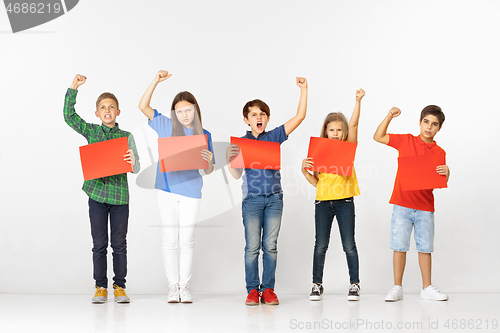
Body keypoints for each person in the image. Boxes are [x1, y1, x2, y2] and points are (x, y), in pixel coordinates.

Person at [226, 77, 308, 306]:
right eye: (253, 114)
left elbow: (299, 117)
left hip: (274, 198)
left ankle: (268, 289)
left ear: (267, 118)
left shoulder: (273, 137)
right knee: (252, 247)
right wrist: (230, 159)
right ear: (246, 119)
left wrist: (304, 89)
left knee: (270, 246)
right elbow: (236, 175)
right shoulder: (241, 143)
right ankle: (253, 290)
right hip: (251, 199)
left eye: (262, 114)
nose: (258, 117)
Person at [138, 70, 214, 303]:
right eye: (179, 111)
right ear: (174, 113)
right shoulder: (165, 126)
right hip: (167, 191)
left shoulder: (204, 134)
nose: (184, 114)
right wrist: (156, 81)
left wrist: (209, 160)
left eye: (188, 110)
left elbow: (208, 170)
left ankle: (184, 286)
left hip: (192, 192)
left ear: (195, 110)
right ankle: (173, 287)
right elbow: (143, 106)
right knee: (170, 240)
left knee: (187, 240)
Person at [63, 74, 140, 303]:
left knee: (119, 244)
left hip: (119, 198)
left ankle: (119, 287)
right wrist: (73, 89)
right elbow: (69, 116)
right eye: (103, 108)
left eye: (112, 107)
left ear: (118, 112)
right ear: (97, 113)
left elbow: (136, 169)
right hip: (96, 195)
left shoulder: (126, 137)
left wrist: (133, 161)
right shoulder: (92, 132)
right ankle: (100, 287)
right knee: (99, 244)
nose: (108, 110)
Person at [373, 105, 450, 302]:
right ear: (420, 122)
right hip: (402, 203)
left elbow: (438, 180)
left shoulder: (439, 152)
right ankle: (397, 286)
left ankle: (427, 287)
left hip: (425, 207)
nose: (429, 127)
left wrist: (447, 173)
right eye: (426, 122)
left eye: (434, 124)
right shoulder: (406, 140)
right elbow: (378, 136)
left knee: (425, 247)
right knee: (399, 246)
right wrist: (389, 116)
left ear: (439, 128)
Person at [301, 89, 365, 302]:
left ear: (344, 132)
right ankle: (316, 284)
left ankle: (354, 284)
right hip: (323, 203)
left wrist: (357, 102)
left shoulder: (348, 148)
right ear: (325, 132)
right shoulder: (320, 152)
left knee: (349, 244)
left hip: (344, 202)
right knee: (320, 244)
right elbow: (317, 182)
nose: (336, 133)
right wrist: (305, 172)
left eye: (339, 130)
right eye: (332, 130)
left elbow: (354, 124)